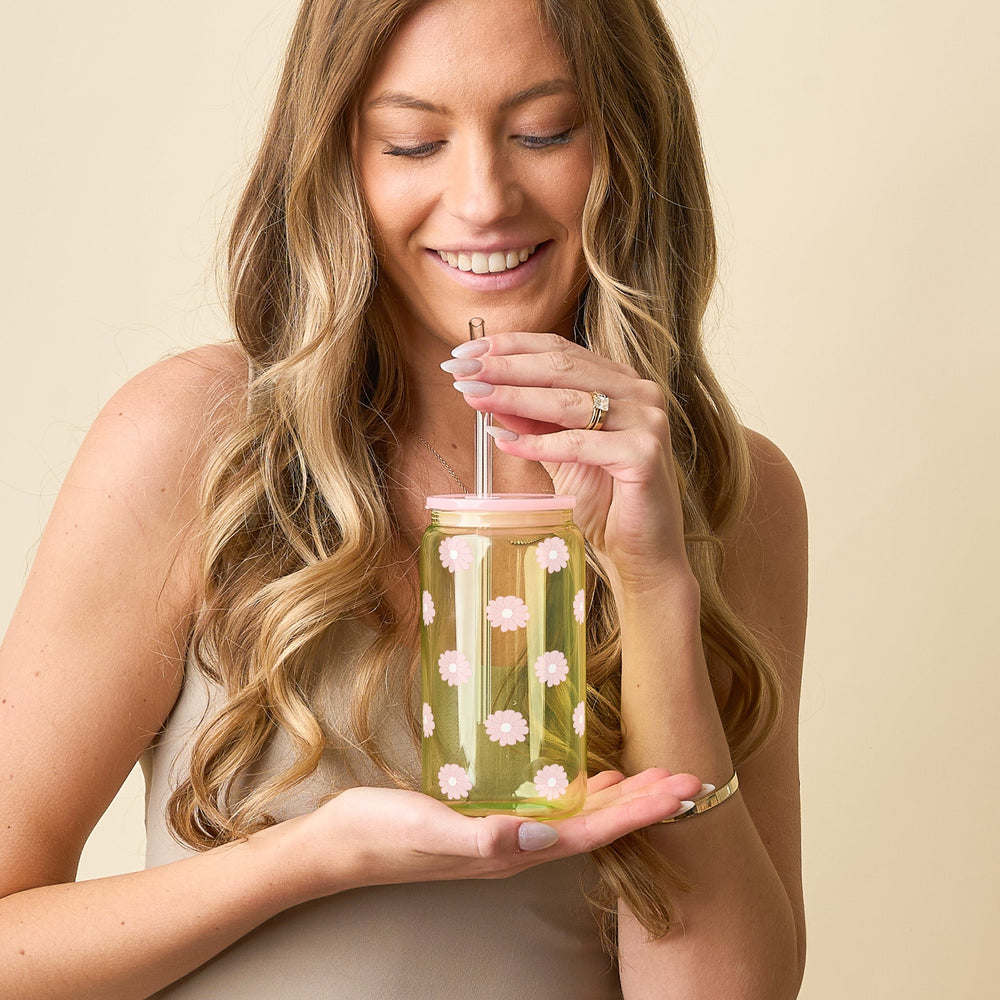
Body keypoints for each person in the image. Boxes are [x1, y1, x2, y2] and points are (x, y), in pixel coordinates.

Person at [0, 0, 808, 996]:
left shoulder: (732, 494)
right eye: (414, 142)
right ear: (340, 163)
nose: (481, 199)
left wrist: (650, 578)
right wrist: (314, 856)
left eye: (544, 131)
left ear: (632, 148)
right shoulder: (197, 441)